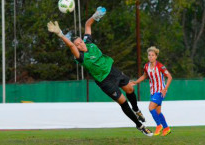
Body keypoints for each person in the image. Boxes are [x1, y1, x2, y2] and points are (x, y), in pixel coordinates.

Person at [47, 7, 153, 136]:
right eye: (77, 44)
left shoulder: (89, 43)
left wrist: (95, 15)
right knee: (123, 102)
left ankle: (137, 110)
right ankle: (140, 126)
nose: (80, 44)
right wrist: (60, 34)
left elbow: (87, 24)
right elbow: (70, 45)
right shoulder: (81, 57)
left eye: (80, 41)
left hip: (113, 71)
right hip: (105, 81)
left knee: (130, 89)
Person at [131, 46, 172, 136]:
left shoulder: (160, 66)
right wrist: (136, 82)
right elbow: (144, 76)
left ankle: (159, 126)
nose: (150, 57)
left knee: (151, 108)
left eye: (152, 55)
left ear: (156, 56)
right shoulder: (146, 66)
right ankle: (166, 128)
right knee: (158, 112)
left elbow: (169, 77)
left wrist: (165, 89)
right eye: (149, 55)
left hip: (160, 91)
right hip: (153, 91)